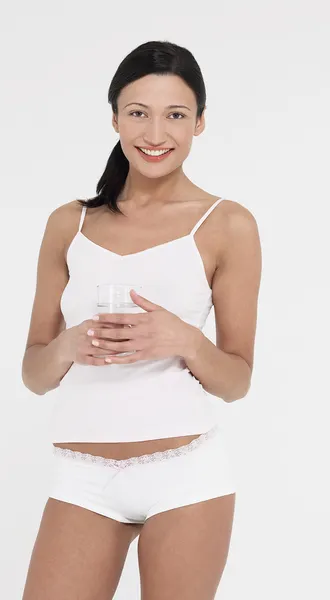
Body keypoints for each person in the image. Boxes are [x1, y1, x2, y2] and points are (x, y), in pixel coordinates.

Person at [20, 40, 262, 599]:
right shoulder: (69, 225)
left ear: (199, 123)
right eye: (138, 113)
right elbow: (34, 374)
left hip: (185, 475)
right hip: (83, 477)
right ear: (114, 119)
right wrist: (69, 346)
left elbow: (237, 380)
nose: (156, 134)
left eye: (175, 115)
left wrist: (186, 341)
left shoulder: (227, 224)